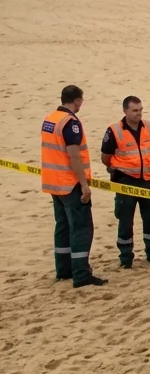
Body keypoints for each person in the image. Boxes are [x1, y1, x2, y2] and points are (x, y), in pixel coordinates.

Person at [41, 85, 107, 287]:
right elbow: (74, 156)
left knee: (62, 227)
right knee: (81, 228)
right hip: (70, 184)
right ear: (77, 100)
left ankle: (64, 270)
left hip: (53, 183)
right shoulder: (70, 122)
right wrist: (84, 184)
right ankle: (81, 274)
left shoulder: (50, 119)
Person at [100, 95, 150, 268]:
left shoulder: (149, 126)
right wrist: (119, 169)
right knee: (125, 221)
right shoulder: (114, 130)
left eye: (141, 110)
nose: (139, 113)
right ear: (125, 111)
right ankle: (126, 257)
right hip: (126, 182)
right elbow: (105, 157)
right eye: (135, 110)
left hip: (148, 180)